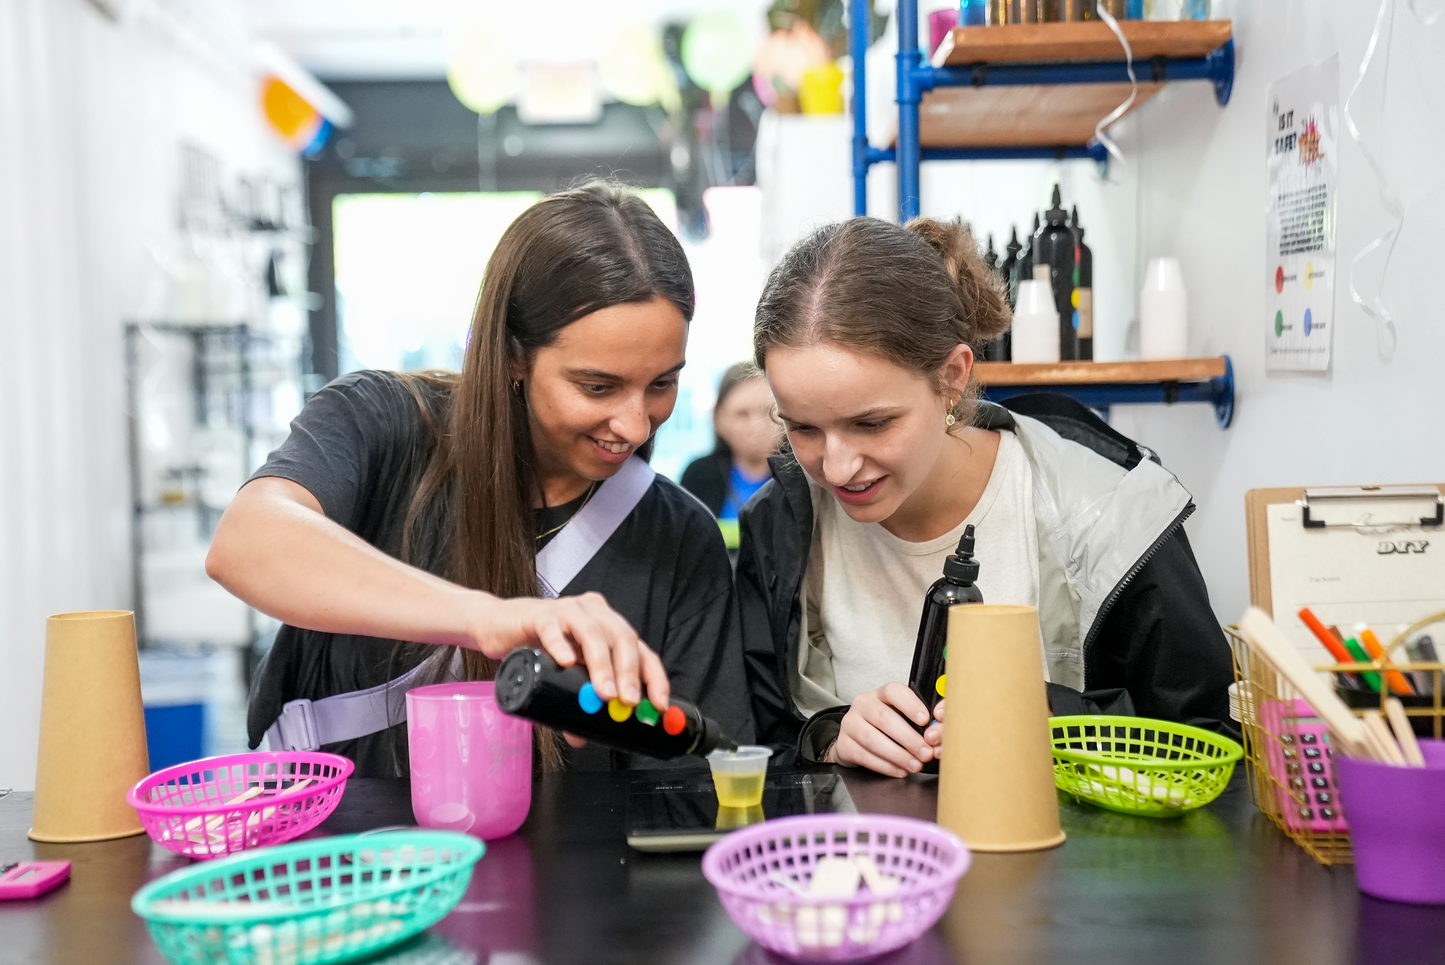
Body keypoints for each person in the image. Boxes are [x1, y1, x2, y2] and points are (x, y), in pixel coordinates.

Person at [207, 183, 752, 777]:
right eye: (597, 386)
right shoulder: (383, 422)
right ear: (515, 354)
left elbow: (700, 781)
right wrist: (485, 618)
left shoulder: (679, 541)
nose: (634, 423)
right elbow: (246, 542)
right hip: (340, 855)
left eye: (662, 384)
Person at [736, 216, 1235, 778]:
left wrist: (1057, 720)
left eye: (872, 424)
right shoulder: (780, 527)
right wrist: (827, 739)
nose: (837, 466)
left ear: (951, 376)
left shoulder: (1106, 513)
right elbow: (749, 749)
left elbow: (1209, 742)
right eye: (802, 428)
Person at [679, 363, 779, 540]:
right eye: (742, 414)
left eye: (767, 412)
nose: (757, 426)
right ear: (718, 419)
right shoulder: (700, 475)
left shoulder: (802, 476)